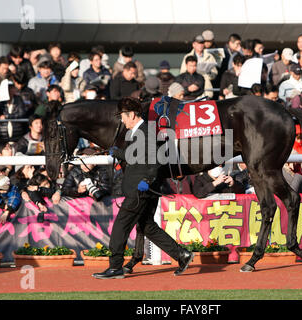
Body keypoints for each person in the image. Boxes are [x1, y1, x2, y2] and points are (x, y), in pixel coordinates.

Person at [92, 97, 194, 279]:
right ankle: (182, 255)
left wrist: (147, 179)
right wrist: (119, 153)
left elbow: (155, 159)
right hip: (143, 188)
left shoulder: (146, 132)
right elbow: (138, 157)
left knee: (121, 225)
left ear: (131, 115)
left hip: (141, 189)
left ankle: (115, 266)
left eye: (122, 116)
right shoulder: (140, 132)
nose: (121, 120)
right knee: (147, 227)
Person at [180, 35, 218, 99]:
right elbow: (182, 73)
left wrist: (208, 74)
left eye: (202, 43)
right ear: (193, 44)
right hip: (192, 91)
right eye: (198, 43)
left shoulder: (210, 56)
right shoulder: (187, 57)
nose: (201, 45)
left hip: (205, 90)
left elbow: (214, 73)